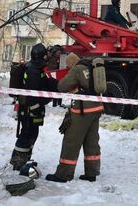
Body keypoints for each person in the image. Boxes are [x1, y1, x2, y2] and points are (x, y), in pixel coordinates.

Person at [45, 53, 104, 183]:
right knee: (91, 141)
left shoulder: (77, 69)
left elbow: (62, 86)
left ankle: (63, 174)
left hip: (83, 111)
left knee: (71, 141)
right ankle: (91, 173)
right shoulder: (90, 67)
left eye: (68, 65)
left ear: (71, 63)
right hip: (96, 109)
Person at [10, 43, 57, 171]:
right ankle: (18, 161)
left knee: (32, 133)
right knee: (26, 133)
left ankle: (25, 159)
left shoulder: (37, 68)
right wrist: (36, 108)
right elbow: (32, 93)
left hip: (34, 108)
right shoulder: (32, 70)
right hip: (29, 109)